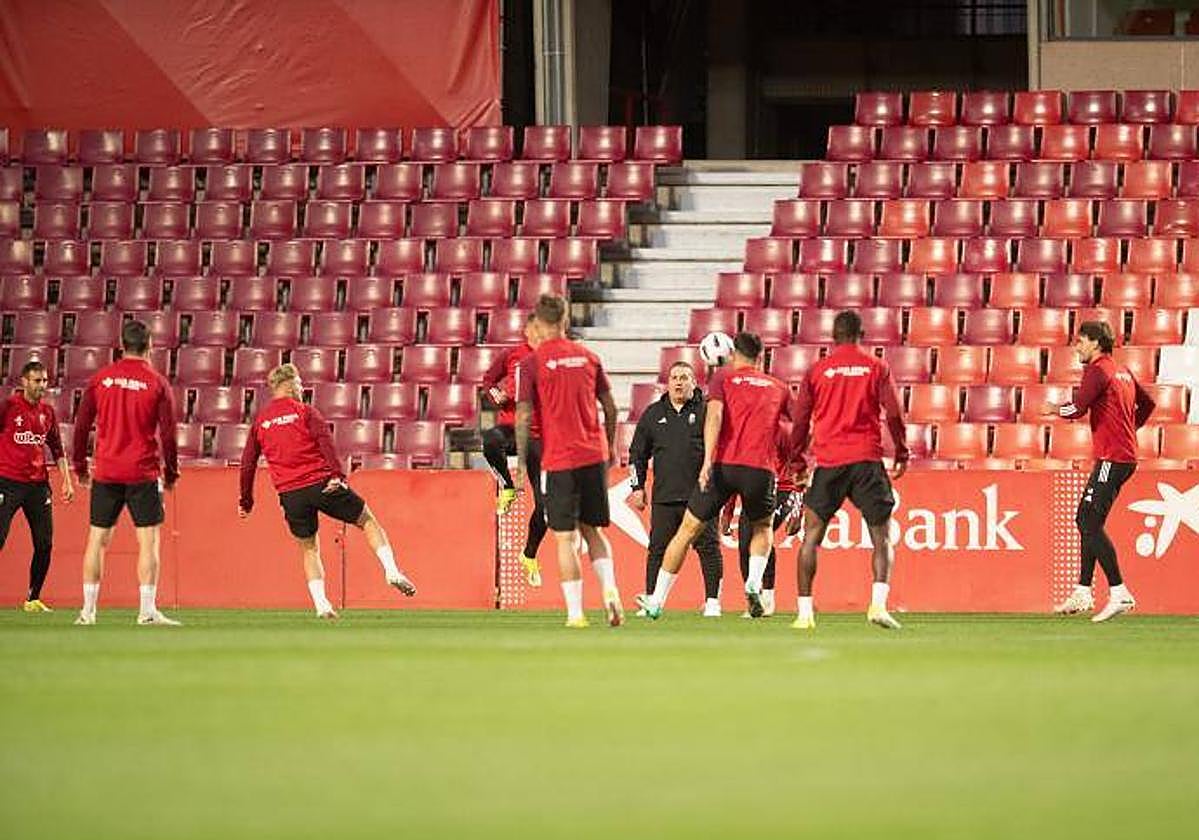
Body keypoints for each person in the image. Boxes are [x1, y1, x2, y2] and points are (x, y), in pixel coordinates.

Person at [238, 363, 416, 619]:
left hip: (290, 494)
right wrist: (338, 476)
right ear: (289, 385)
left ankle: (322, 605)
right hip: (321, 483)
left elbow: (247, 463)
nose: (302, 388)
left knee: (309, 548)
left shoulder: (261, 422)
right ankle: (391, 570)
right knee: (367, 521)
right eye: (299, 384)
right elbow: (327, 444)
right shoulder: (305, 412)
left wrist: (246, 501)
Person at [636, 331, 793, 620]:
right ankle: (753, 583)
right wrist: (802, 467)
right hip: (761, 469)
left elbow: (715, 416)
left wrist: (708, 459)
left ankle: (656, 601)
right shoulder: (779, 387)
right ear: (761, 357)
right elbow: (796, 429)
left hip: (724, 467)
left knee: (686, 531)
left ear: (734, 354)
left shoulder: (724, 378)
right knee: (762, 527)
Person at [789, 310, 908, 631]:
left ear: (833, 336)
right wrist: (901, 451)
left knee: (811, 537)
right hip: (866, 460)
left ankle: (804, 614)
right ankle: (878, 605)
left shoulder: (817, 370)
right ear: (862, 334)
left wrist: (797, 461)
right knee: (881, 537)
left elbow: (800, 420)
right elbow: (894, 413)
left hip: (829, 462)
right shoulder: (876, 366)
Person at [515, 294, 622, 628]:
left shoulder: (531, 364)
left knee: (564, 537)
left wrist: (521, 461)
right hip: (593, 454)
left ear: (538, 324)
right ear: (565, 320)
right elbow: (611, 408)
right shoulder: (589, 356)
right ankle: (610, 590)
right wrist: (611, 446)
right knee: (593, 532)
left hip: (559, 459)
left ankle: (576, 614)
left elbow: (523, 415)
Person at [72, 320, 179, 626]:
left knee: (97, 540)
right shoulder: (157, 382)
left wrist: (80, 466)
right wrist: (171, 472)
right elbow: (168, 434)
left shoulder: (101, 379)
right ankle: (146, 612)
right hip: (142, 472)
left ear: (121, 345)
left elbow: (81, 426)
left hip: (106, 470)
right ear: (150, 346)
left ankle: (87, 612)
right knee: (148, 541)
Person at [1050, 320, 1155, 623]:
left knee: (1087, 520)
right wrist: (1128, 431)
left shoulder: (1097, 371)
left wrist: (1053, 409)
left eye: (1080, 341)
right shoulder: (1122, 371)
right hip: (1121, 456)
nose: (1077, 347)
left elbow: (1077, 408)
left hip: (1112, 458)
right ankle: (1083, 591)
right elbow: (1148, 405)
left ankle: (1119, 592)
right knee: (1088, 520)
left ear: (1095, 343)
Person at [628, 361, 724, 617]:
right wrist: (637, 486)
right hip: (665, 497)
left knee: (708, 548)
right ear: (667, 383)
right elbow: (636, 454)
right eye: (674, 378)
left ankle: (713, 602)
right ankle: (652, 599)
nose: (679, 382)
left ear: (694, 383)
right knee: (657, 549)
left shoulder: (705, 411)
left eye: (684, 377)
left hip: (701, 494)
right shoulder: (653, 414)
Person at [0, 360, 74, 612]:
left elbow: (57, 449)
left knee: (44, 543)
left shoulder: (48, 412)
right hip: (7, 482)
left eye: (44, 381)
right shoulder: (8, 407)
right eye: (36, 381)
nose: (42, 385)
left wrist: (66, 480)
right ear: (24, 381)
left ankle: (33, 599)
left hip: (37, 486)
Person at [480, 313, 547, 587]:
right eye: (535, 328)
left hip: (541, 438)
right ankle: (507, 486)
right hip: (511, 428)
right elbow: (488, 381)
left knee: (546, 508)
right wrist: (498, 395)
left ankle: (529, 554)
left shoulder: (554, 360)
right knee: (490, 440)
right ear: (526, 330)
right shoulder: (512, 354)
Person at [720, 419, 802, 618]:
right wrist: (727, 513)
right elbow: (735, 476)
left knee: (762, 533)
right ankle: (753, 599)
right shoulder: (741, 435)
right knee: (744, 545)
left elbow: (800, 466)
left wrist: (798, 509)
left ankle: (767, 596)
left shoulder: (783, 430)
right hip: (755, 488)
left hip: (783, 488)